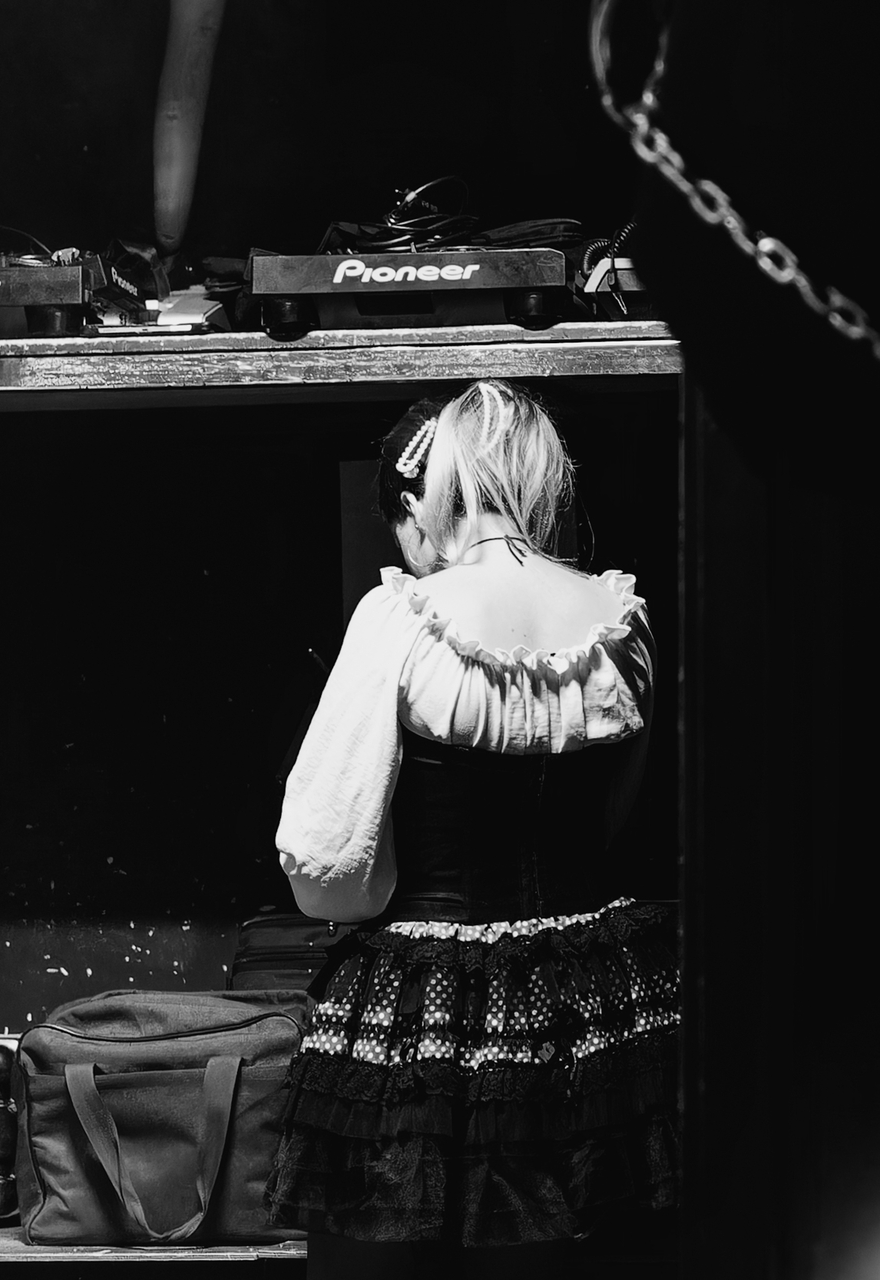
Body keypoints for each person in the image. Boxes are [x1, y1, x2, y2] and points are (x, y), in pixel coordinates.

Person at [264, 380, 677, 1278]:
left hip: (425, 1005)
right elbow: (616, 817)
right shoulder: (624, 623)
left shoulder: (401, 619)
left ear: (432, 489)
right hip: (594, 1001)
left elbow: (329, 861)